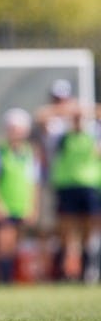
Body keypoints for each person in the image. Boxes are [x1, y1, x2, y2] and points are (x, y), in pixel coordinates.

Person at [0, 108, 41, 283]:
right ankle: (1, 279)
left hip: (21, 205)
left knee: (14, 246)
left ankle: (10, 279)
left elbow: (33, 184)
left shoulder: (30, 153)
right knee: (3, 244)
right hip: (3, 205)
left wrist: (33, 207)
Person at [49, 108, 101, 282]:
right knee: (67, 230)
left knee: (88, 229)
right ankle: (66, 269)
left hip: (89, 186)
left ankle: (87, 269)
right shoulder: (63, 138)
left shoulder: (94, 137)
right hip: (68, 186)